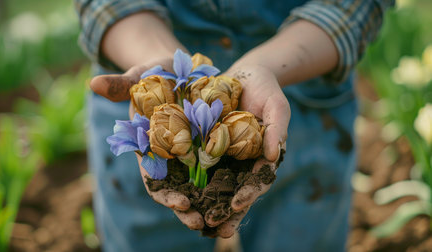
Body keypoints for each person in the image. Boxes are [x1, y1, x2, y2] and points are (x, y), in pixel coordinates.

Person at [74, 0, 394, 251]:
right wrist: (158, 61)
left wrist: (265, 66)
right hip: (135, 58)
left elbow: (354, 5)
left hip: (307, 95)